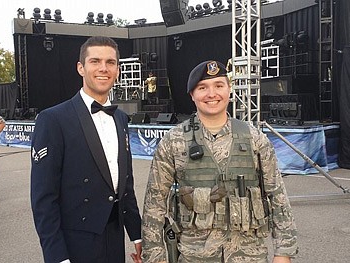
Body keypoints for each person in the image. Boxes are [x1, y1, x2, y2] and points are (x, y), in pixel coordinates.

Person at [141, 60, 298, 263]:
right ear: (192, 95)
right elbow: (154, 205)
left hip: (249, 256)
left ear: (229, 89)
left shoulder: (255, 139)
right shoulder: (173, 141)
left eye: (219, 85)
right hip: (194, 256)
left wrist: (283, 252)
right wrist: (155, 258)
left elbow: (277, 196)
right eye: (202, 88)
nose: (212, 94)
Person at [30, 36, 143, 263]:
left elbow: (125, 184)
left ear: (118, 70)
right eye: (95, 61)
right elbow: (43, 199)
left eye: (110, 62)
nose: (103, 68)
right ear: (81, 68)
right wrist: (57, 257)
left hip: (114, 236)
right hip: (76, 244)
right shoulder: (53, 119)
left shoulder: (120, 118)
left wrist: (137, 235)